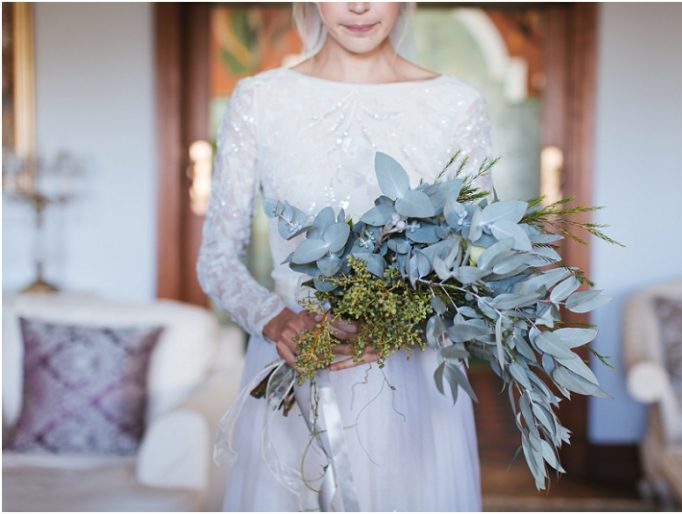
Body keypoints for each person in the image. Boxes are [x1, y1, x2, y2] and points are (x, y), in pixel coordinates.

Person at [196, 2, 496, 511]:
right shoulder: (260, 100)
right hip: (295, 365)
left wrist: (402, 322)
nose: (358, 5)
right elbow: (216, 257)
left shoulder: (456, 105)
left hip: (412, 380)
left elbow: (473, 265)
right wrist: (277, 321)